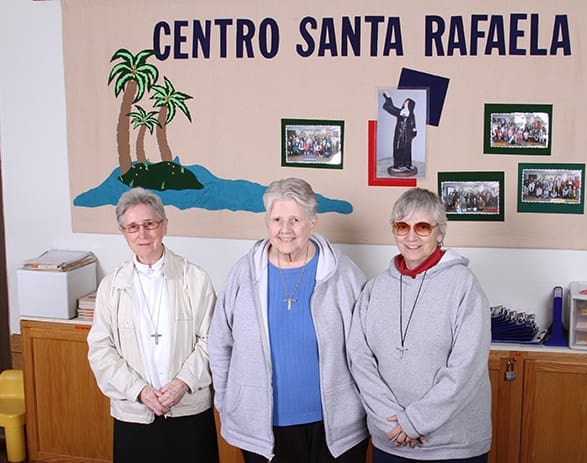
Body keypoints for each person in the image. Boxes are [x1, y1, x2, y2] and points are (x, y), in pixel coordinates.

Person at [208, 177, 369, 463]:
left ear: (312, 223)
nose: (285, 230)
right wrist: (225, 400)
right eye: (277, 219)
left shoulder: (344, 273)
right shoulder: (243, 274)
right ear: (267, 222)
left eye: (295, 219)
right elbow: (220, 343)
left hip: (334, 427)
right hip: (262, 427)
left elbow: (366, 349)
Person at [348, 187, 492, 463]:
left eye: (423, 227)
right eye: (402, 226)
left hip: (454, 445)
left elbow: (466, 369)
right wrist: (391, 421)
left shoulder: (464, 285)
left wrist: (415, 422)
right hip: (390, 439)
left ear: (440, 233)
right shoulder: (374, 289)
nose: (411, 236)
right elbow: (360, 360)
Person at [87, 187, 219, 463]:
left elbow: (212, 341)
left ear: (164, 226)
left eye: (149, 224)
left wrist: (182, 383)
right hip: (134, 412)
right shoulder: (112, 286)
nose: (142, 234)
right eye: (132, 227)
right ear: (124, 233)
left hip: (187, 409)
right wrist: (140, 391)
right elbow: (100, 349)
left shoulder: (194, 278)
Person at [382, 91, 418, 176]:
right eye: (405, 102)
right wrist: (388, 98)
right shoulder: (400, 112)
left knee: (407, 150)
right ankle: (398, 166)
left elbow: (413, 123)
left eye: (408, 103)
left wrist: (414, 130)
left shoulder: (412, 115)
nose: (405, 103)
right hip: (399, 134)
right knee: (398, 148)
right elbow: (390, 108)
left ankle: (407, 165)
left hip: (407, 135)